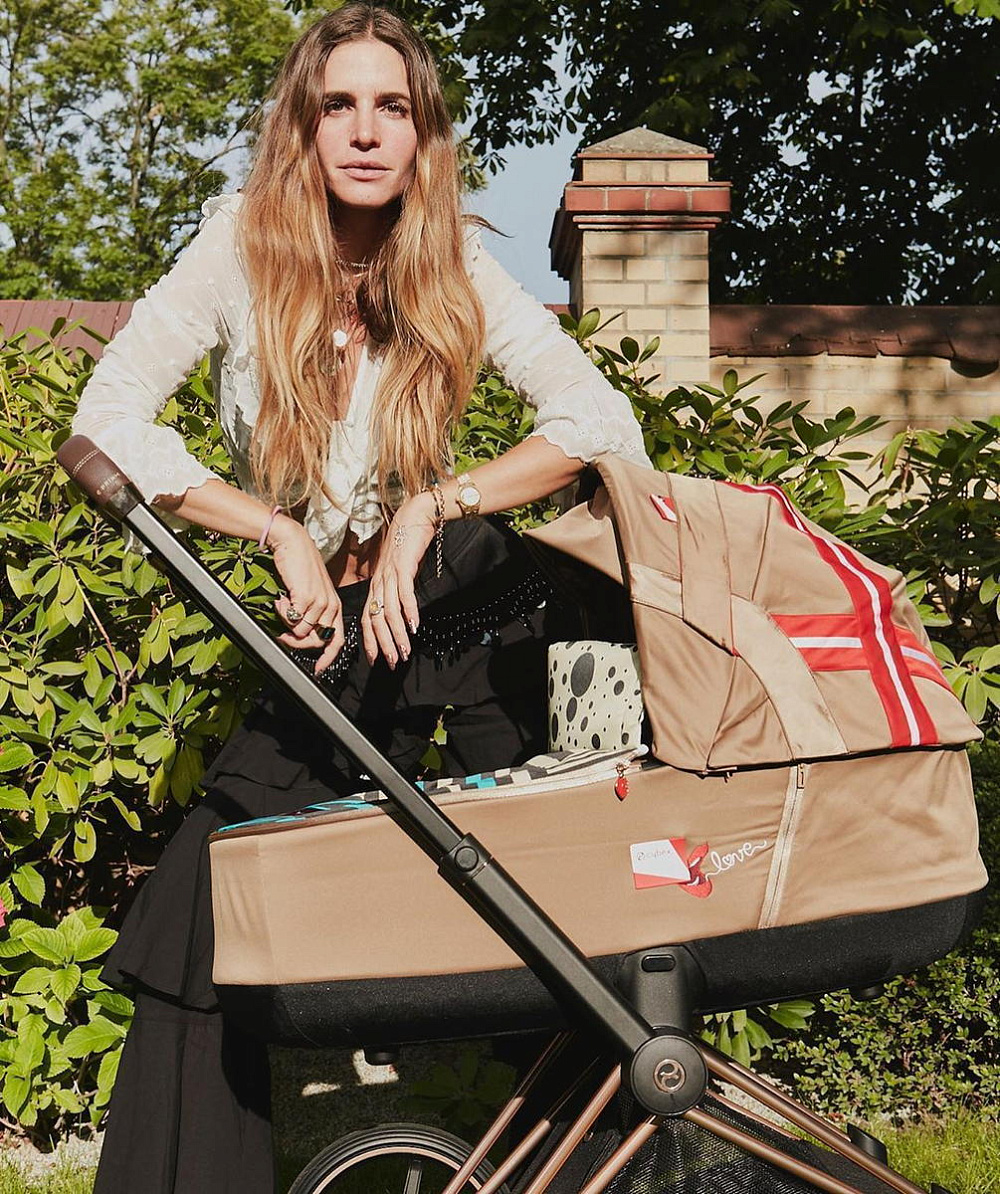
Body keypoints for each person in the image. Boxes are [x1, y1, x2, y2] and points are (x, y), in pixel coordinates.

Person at [71, 3, 649, 1191]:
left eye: (392, 106)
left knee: (545, 902)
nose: (367, 131)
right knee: (209, 896)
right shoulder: (239, 248)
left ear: (422, 133)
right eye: (339, 105)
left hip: (469, 610)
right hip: (339, 630)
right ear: (303, 124)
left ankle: (609, 1162)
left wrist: (434, 505)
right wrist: (274, 529)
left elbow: (599, 423)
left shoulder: (453, 262)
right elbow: (108, 421)